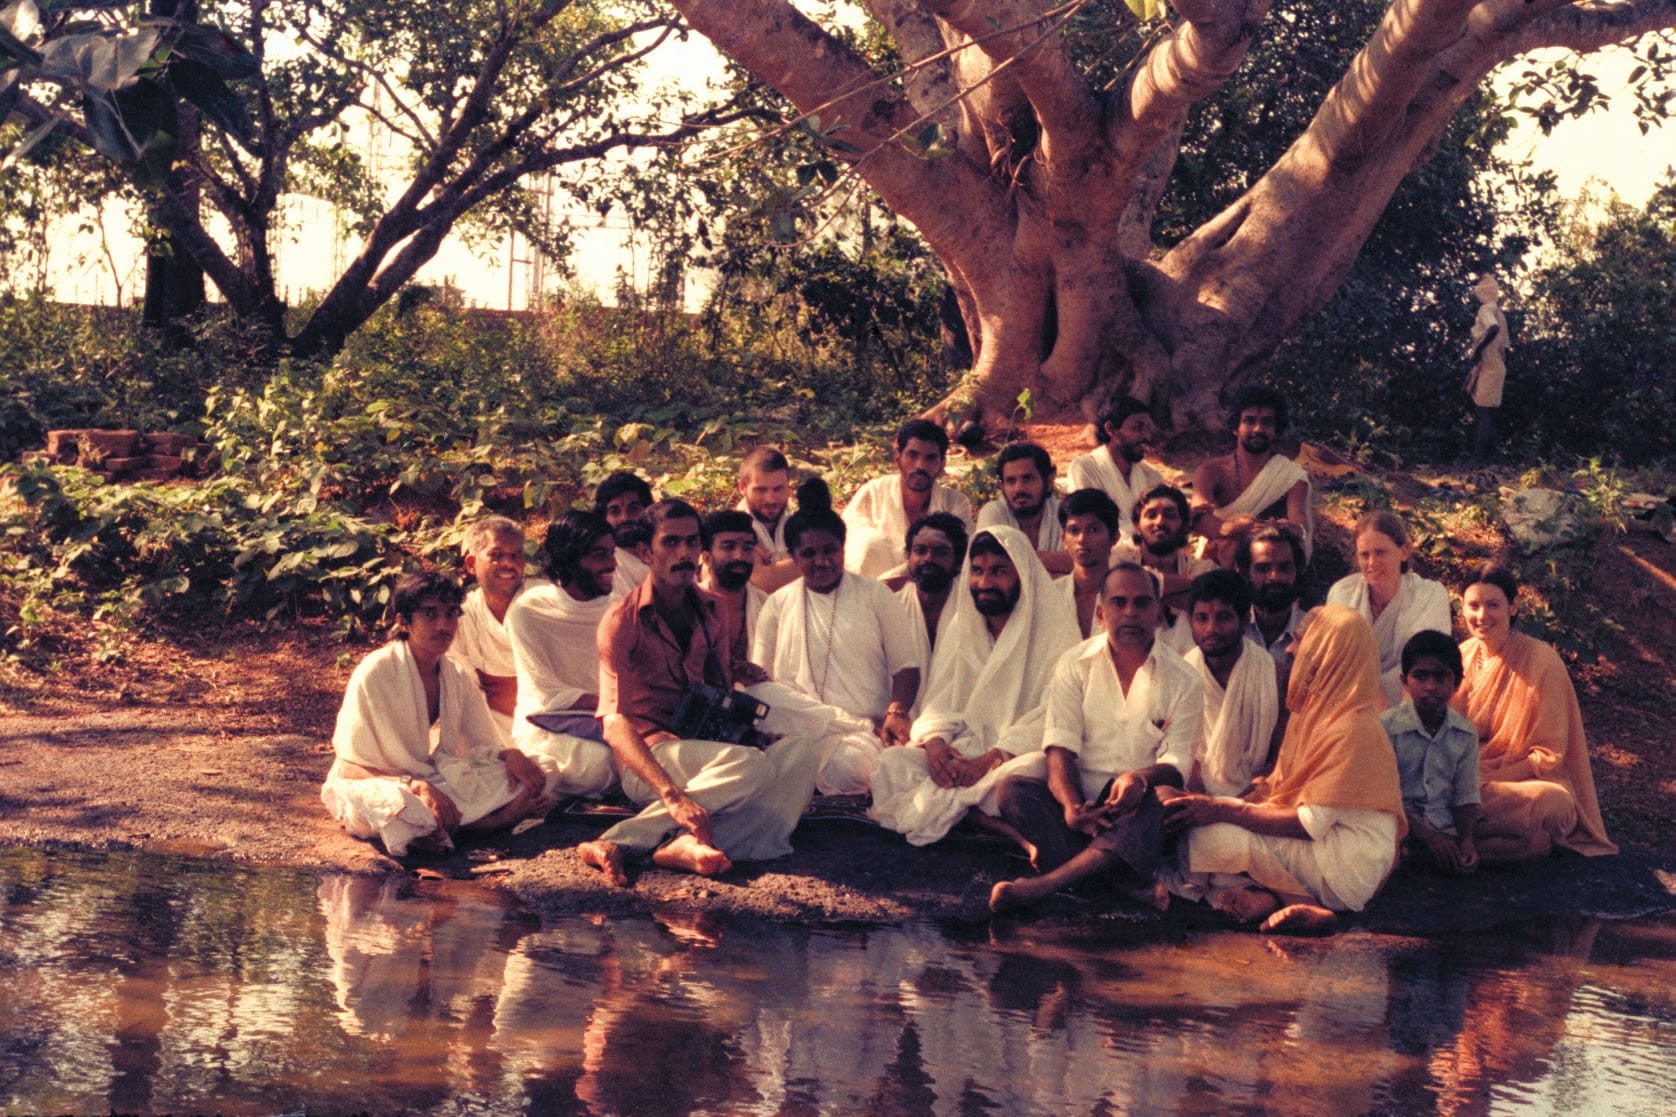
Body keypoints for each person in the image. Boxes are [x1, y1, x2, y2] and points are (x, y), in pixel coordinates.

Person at [577, 499, 830, 885]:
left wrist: (752, 737)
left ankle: (682, 844)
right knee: (752, 767)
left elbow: (720, 692)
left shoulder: (712, 609)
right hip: (652, 760)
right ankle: (618, 839)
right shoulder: (621, 621)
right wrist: (673, 797)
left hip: (709, 756)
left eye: (692, 543)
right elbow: (614, 724)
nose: (685, 554)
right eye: (671, 543)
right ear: (645, 551)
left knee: (803, 749)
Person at [1163, 605, 1406, 935]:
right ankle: (1269, 899)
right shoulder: (1317, 714)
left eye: (1302, 640)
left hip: (1345, 867)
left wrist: (1221, 809)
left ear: (1327, 652)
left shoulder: (1354, 728)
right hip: (1323, 849)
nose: (1290, 649)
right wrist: (1214, 804)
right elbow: (1277, 788)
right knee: (1206, 831)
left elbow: (1308, 825)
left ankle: (1313, 906)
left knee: (1207, 840)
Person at [987, 563, 1201, 913]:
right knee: (1011, 790)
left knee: (1164, 800)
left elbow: (1177, 764)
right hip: (1084, 807)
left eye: (1142, 602)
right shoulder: (1074, 663)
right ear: (1101, 614)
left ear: (1159, 613)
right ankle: (1122, 886)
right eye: (1119, 602)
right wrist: (1072, 807)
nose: (1130, 612)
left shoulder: (1185, 679)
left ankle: (1044, 886)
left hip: (1137, 809)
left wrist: (1138, 779)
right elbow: (1060, 745)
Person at [869, 525, 1081, 845]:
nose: (985, 583)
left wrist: (991, 759)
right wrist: (937, 745)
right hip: (965, 751)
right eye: (978, 571)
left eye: (998, 572)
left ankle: (971, 817)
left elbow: (1054, 715)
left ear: (1021, 574)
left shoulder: (1055, 630)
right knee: (892, 763)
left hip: (1014, 753)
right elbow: (941, 696)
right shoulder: (964, 624)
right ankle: (983, 821)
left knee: (1022, 777)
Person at [322, 571, 553, 857]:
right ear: (403, 621)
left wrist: (511, 756)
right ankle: (489, 822)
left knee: (544, 768)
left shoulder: (454, 673)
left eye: (451, 614)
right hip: (380, 786)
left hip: (432, 778)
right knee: (402, 809)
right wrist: (415, 785)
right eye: (430, 614)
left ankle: (449, 826)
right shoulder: (376, 672)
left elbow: (481, 745)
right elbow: (349, 768)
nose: (444, 626)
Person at [755, 479, 924, 793]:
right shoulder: (777, 604)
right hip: (798, 729)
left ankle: (803, 773)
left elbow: (907, 667)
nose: (821, 561)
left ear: (843, 548)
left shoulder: (875, 594)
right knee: (759, 696)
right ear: (792, 556)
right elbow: (763, 680)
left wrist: (896, 712)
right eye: (809, 553)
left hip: (866, 733)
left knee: (847, 769)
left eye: (830, 550)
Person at [1453, 564, 1616, 860]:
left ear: (1513, 606)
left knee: (1554, 804)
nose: (1481, 616)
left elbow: (1547, 757)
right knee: (1533, 841)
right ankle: (1483, 843)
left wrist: (1484, 781)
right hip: (1463, 780)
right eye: (1473, 605)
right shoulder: (1460, 656)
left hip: (1514, 786)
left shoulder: (1542, 661)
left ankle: (1450, 840)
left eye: (1493, 605)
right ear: (1461, 606)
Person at [505, 512, 621, 798]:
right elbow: (545, 693)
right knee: (603, 765)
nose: (612, 564)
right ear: (570, 559)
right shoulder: (529, 610)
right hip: (548, 726)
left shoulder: (620, 608)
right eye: (599, 555)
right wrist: (612, 704)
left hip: (617, 720)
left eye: (612, 553)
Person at [1327, 510, 1451, 706]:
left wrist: (1398, 721)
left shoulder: (1430, 595)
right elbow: (1336, 660)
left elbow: (1426, 663)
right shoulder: (1342, 593)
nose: (1372, 563)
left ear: (1403, 551)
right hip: (1350, 700)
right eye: (1364, 555)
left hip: (1411, 702)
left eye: (1380, 552)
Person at [1383, 630, 1480, 875]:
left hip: (1442, 824)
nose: (1430, 687)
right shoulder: (1387, 728)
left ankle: (1437, 856)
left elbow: (1465, 796)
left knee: (1532, 844)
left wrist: (1467, 841)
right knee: (1387, 850)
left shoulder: (1465, 733)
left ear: (1457, 683)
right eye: (1420, 676)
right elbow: (1383, 798)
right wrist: (1429, 838)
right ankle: (1422, 855)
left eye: (1441, 677)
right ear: (1405, 681)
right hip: (1396, 825)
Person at [1182, 570, 1281, 798]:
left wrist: (1240, 804)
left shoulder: (1274, 674)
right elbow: (1181, 755)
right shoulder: (1181, 676)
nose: (1211, 629)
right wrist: (1205, 804)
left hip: (1257, 797)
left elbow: (1279, 756)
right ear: (1190, 621)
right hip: (1195, 797)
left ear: (1245, 619)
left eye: (1223, 617)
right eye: (1202, 618)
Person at [1190, 386, 1312, 565]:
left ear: (1276, 430)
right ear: (1236, 428)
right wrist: (1231, 528)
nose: (1258, 429)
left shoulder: (1292, 477)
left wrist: (1279, 529)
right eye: (1249, 420)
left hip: (1268, 563)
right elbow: (1198, 519)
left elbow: (1301, 528)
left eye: (1267, 422)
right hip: (1216, 563)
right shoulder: (1210, 472)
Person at [842, 419, 974, 578]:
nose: (920, 465)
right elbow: (847, 547)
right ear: (898, 458)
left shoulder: (955, 503)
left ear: (942, 464)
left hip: (933, 593)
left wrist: (899, 575)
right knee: (872, 544)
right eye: (912, 455)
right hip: (871, 595)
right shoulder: (873, 493)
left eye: (931, 458)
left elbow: (962, 558)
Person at [448, 515, 530, 742]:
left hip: (548, 720)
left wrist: (502, 687)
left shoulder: (542, 599)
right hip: (486, 721)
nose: (508, 563)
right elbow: (465, 692)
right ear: (471, 564)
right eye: (497, 555)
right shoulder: (460, 615)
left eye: (516, 556)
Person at [887, 513, 968, 689]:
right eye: (920, 550)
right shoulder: (892, 605)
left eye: (941, 552)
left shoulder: (972, 607)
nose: (929, 559)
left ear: (958, 561)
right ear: (908, 555)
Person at [1065, 391, 1162, 528]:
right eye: (1137, 428)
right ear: (1111, 429)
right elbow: (1090, 527)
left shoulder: (1151, 475)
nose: (1146, 436)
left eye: (1147, 428)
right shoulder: (1084, 469)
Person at [1114, 483, 1217, 609]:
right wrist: (1195, 582)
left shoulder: (1201, 569)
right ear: (1137, 525)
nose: (1160, 522)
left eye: (1170, 515)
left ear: (1184, 525)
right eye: (1151, 515)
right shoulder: (1118, 557)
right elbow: (1131, 582)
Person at [977, 441, 1069, 573]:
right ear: (1002, 487)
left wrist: (1015, 561)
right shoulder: (994, 512)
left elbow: (1078, 562)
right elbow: (991, 565)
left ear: (1048, 481)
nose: (1019, 488)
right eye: (1011, 481)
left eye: (1028, 478)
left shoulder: (1063, 513)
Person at [1236, 524, 1309, 683]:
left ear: (1298, 572)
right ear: (1246, 573)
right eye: (1263, 568)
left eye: (1284, 568)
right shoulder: (1232, 630)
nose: (1274, 577)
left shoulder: (1313, 633)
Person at [698, 508, 767, 659]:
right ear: (707, 558)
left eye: (747, 548)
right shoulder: (688, 606)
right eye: (729, 547)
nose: (739, 556)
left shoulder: (769, 607)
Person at [1055, 488, 1120, 638]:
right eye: (1074, 530)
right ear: (1064, 539)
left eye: (1093, 529)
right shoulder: (1050, 596)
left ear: (1114, 537)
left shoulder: (1130, 595)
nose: (1082, 539)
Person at [736, 446, 800, 593]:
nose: (770, 499)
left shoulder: (795, 524)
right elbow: (763, 581)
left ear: (789, 486)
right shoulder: (728, 528)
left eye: (778, 489)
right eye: (761, 490)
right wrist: (818, 559)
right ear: (742, 487)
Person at [1465, 274, 1510, 461]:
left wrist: (1478, 350)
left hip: (1489, 365)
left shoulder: (1486, 310)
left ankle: (1478, 458)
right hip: (1496, 366)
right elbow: (1506, 349)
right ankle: (1493, 457)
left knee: (1483, 413)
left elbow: (1492, 329)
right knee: (1489, 414)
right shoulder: (1501, 314)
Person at [593, 471, 655, 590]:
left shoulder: (663, 555)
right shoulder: (605, 565)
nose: (625, 518)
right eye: (615, 511)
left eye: (633, 509)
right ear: (604, 517)